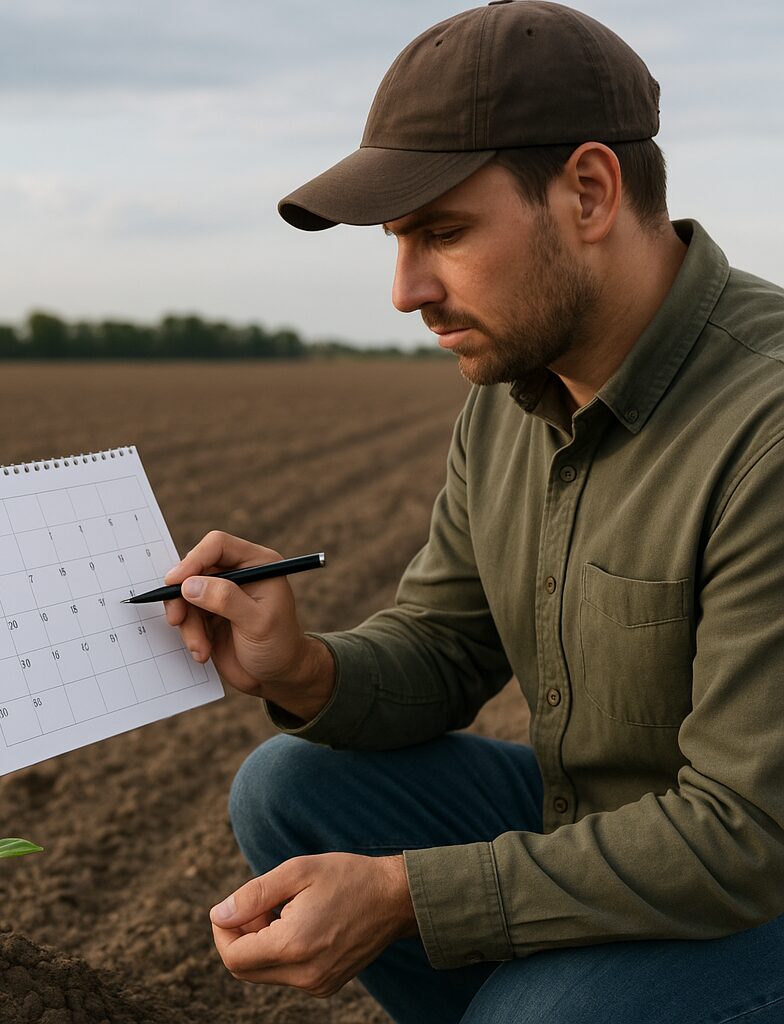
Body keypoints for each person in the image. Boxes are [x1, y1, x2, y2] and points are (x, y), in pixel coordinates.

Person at [163, 2, 784, 1021]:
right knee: (289, 788)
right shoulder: (513, 394)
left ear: (590, 192)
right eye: (397, 241)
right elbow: (447, 646)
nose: (405, 290)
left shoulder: (765, 425)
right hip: (612, 828)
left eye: (443, 233)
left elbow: (746, 835)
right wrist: (300, 666)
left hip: (756, 871)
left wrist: (408, 896)